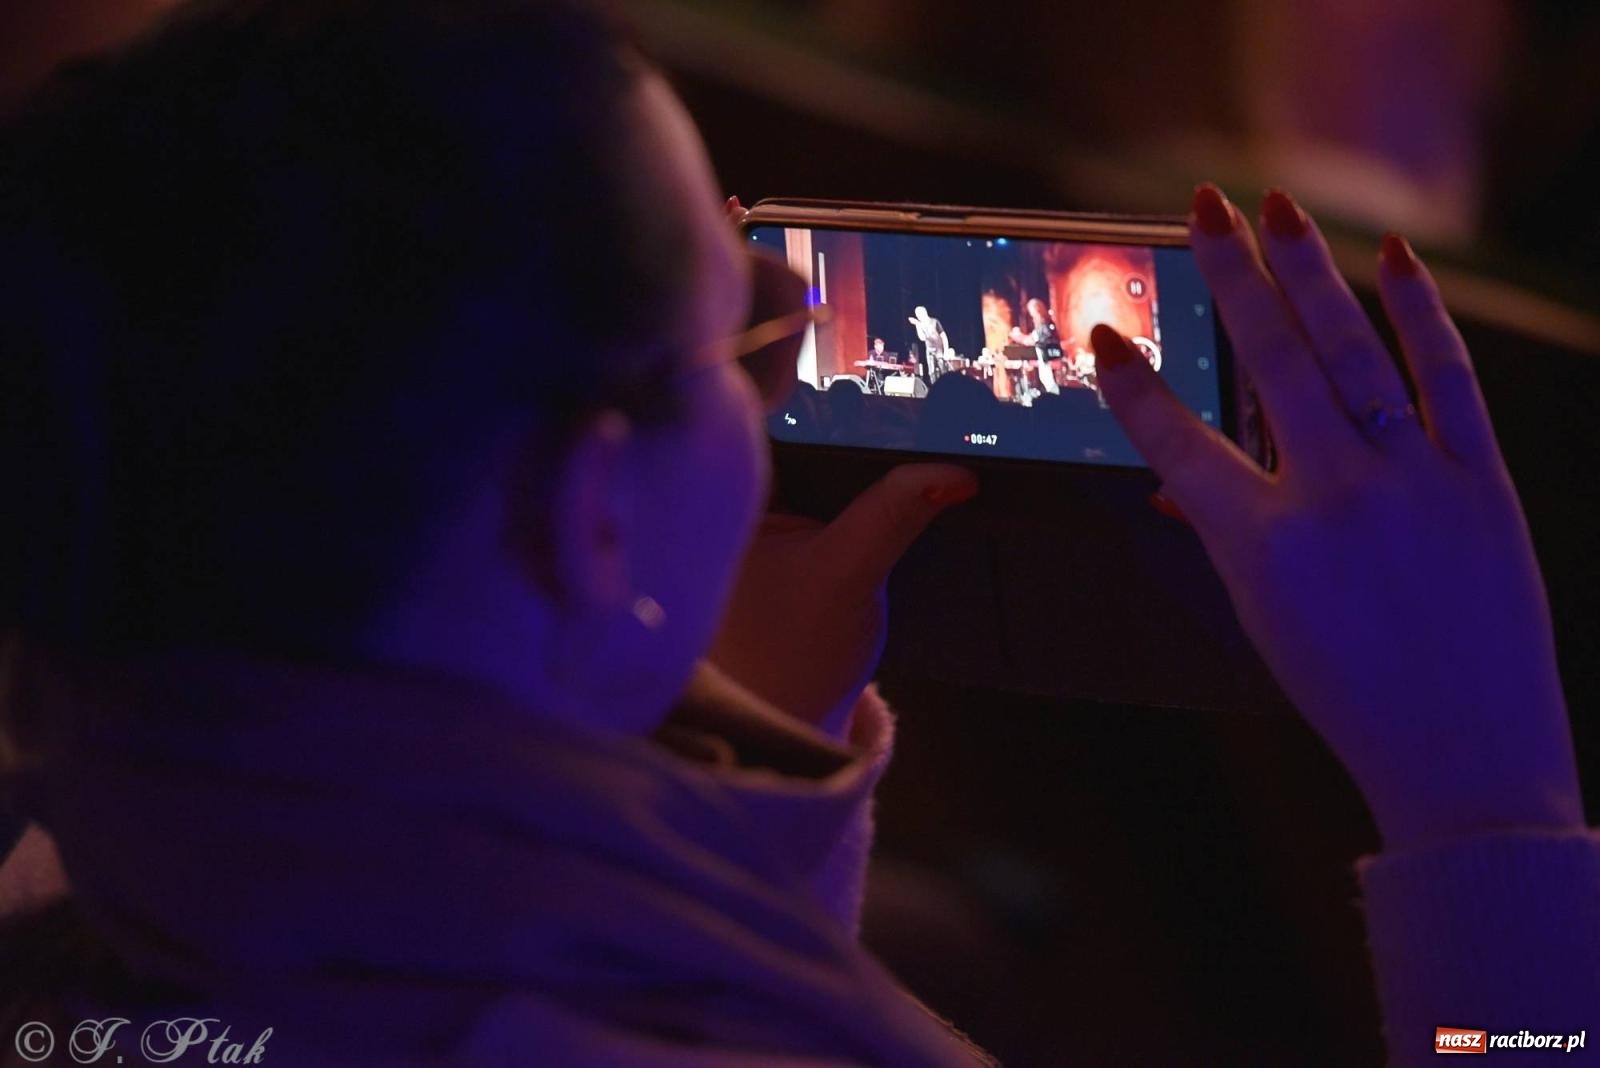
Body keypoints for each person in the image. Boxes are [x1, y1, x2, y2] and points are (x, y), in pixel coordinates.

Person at [0, 6, 1593, 1068]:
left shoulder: (63, 872)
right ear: (590, 509)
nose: (793, 326)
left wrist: (738, 750)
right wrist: (1484, 801)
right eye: (736, 314)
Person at [1008, 297, 1062, 398]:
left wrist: (1018, 335)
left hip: (1049, 362)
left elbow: (1031, 340)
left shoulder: (1044, 326)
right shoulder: (1044, 326)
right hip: (1046, 361)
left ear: (1037, 311)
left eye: (1033, 314)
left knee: (1050, 384)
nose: (1032, 318)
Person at [908, 304, 949, 380]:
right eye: (917, 315)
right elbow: (922, 338)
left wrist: (946, 351)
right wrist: (917, 325)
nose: (918, 316)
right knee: (932, 372)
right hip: (929, 351)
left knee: (943, 370)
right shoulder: (920, 325)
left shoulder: (934, 322)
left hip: (939, 350)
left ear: (924, 313)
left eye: (919, 314)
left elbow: (944, 337)